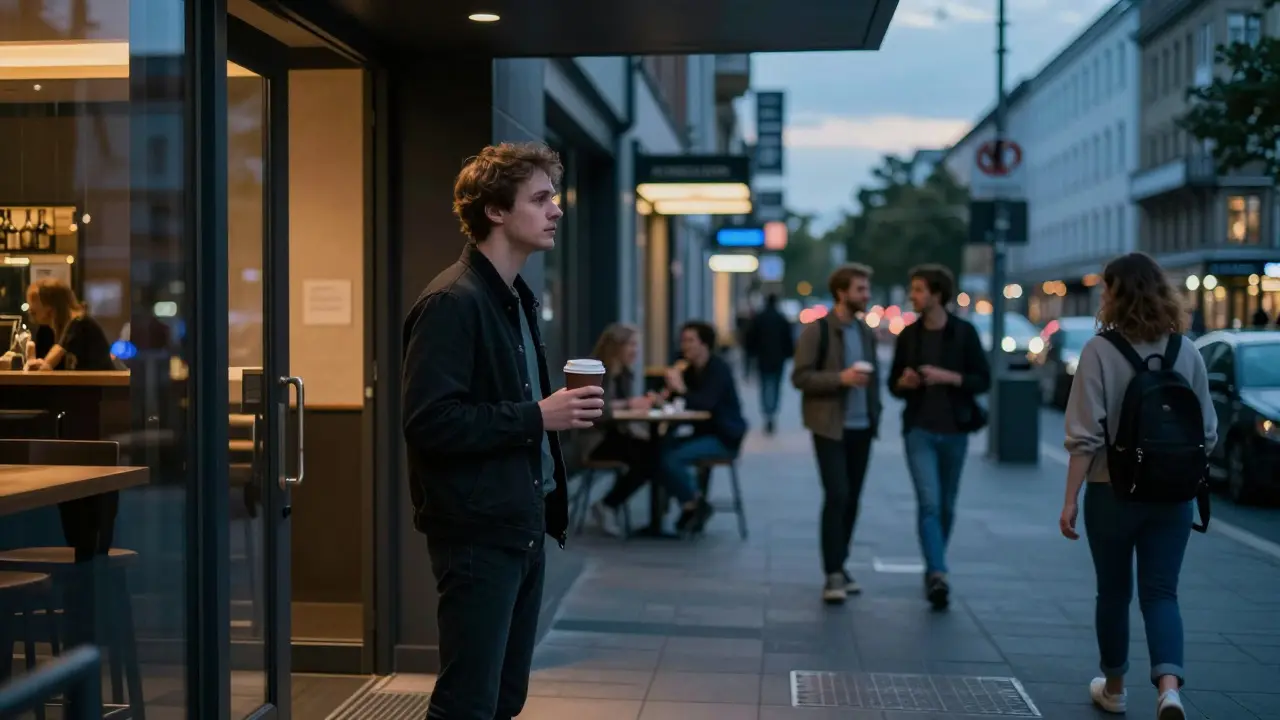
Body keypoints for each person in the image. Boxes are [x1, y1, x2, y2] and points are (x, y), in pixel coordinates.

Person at [401, 142, 605, 720]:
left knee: (504, 699)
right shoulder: (452, 302)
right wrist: (540, 415)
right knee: (468, 702)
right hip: (476, 532)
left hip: (521, 523)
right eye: (540, 199)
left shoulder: (514, 297)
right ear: (495, 210)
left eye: (554, 197)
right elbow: (428, 421)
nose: (556, 210)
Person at [1060, 252, 1215, 720]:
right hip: (1172, 496)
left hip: (1112, 489)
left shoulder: (1099, 351)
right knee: (1162, 592)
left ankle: (1114, 687)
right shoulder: (1184, 350)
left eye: (1106, 288)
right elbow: (1207, 431)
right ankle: (1169, 690)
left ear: (1115, 293)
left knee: (1113, 592)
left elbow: (1084, 435)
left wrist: (1070, 498)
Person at [887, 264, 990, 610]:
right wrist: (904, 383)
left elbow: (983, 380)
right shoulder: (909, 335)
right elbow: (893, 384)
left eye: (918, 290)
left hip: (955, 431)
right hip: (919, 430)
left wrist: (948, 376)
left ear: (936, 294)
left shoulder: (964, 333)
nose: (912, 296)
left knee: (946, 505)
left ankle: (934, 564)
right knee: (929, 502)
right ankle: (938, 572)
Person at [791, 264, 881, 604]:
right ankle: (832, 573)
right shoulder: (818, 331)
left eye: (867, 288)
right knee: (837, 495)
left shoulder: (865, 330)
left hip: (862, 426)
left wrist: (876, 412)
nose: (866, 295)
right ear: (841, 292)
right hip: (829, 426)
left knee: (853, 499)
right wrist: (839, 379)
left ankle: (840, 565)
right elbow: (799, 377)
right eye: (860, 289)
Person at [659, 321, 748, 534]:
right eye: (683, 341)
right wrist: (664, 394)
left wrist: (680, 388)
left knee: (671, 458)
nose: (685, 346)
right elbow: (678, 401)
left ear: (705, 344)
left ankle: (694, 504)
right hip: (702, 433)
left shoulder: (718, 369)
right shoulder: (689, 369)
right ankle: (692, 505)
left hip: (723, 437)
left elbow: (705, 403)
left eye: (690, 341)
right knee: (657, 452)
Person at [583, 322, 660, 537]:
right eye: (631, 345)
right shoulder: (594, 371)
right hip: (594, 441)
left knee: (655, 452)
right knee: (650, 458)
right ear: (615, 347)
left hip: (614, 437)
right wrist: (629, 404)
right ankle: (608, 505)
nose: (636, 351)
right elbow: (596, 410)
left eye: (637, 345)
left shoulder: (623, 374)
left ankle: (611, 504)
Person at [24, 278, 114, 371]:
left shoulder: (80, 323)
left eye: (33, 311)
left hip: (101, 384)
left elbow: (47, 365)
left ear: (51, 308)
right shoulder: (53, 330)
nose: (30, 312)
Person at [746, 293, 795, 434]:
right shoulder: (781, 318)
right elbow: (788, 339)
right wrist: (788, 354)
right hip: (778, 359)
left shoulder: (760, 318)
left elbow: (750, 337)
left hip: (763, 358)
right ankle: (772, 411)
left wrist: (752, 354)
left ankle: (767, 412)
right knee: (775, 386)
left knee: (765, 386)